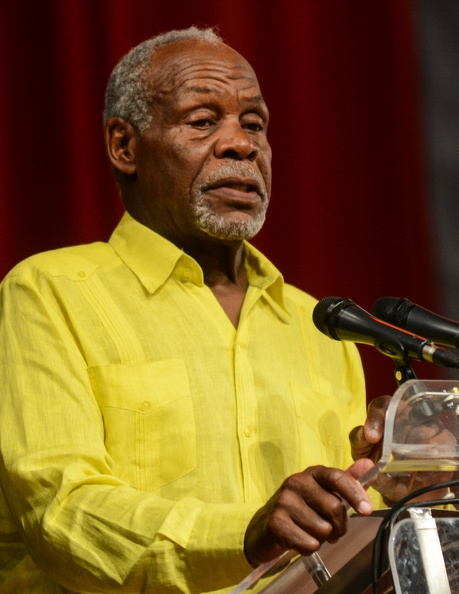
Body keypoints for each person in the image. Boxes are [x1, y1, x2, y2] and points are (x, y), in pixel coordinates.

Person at [0, 25, 445, 594]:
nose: (242, 144)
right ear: (124, 147)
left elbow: (326, 545)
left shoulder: (321, 326)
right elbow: (59, 510)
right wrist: (244, 532)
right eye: (203, 121)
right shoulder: (50, 292)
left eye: (254, 124)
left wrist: (391, 485)